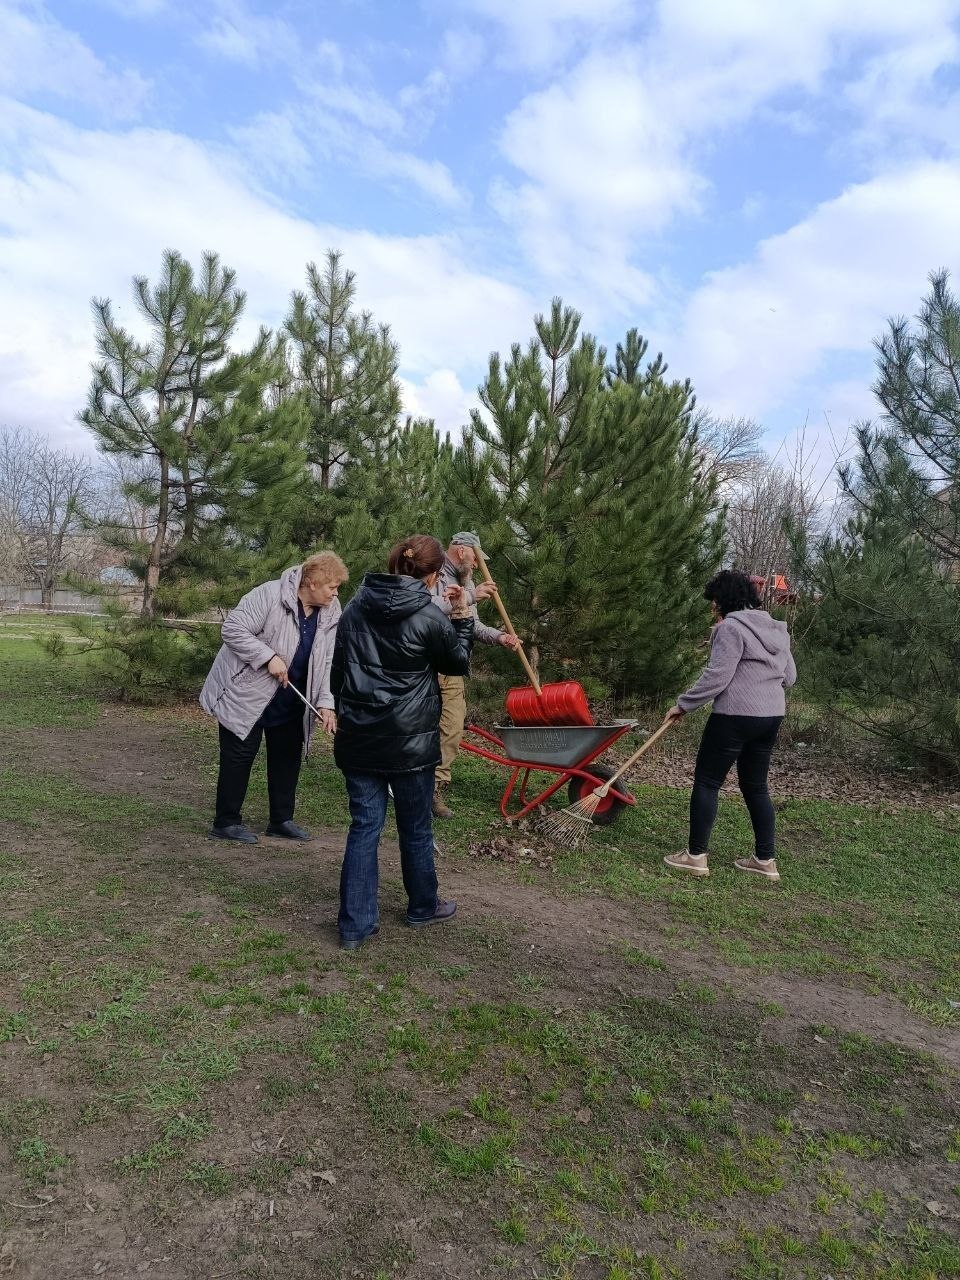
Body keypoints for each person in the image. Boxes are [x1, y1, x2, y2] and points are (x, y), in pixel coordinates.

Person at [331, 535, 474, 951]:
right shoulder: (429, 617)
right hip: (410, 742)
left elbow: (338, 673)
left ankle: (355, 926)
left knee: (364, 827)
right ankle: (423, 906)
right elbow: (457, 663)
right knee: (415, 827)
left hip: (360, 738)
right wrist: (462, 617)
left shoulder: (354, 609)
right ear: (433, 575)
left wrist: (343, 713)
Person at [200, 551, 349, 844]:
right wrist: (268, 657)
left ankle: (281, 820)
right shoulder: (268, 595)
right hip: (246, 693)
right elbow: (232, 629)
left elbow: (326, 658)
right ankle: (226, 822)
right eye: (332, 587)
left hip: (290, 697)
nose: (336, 593)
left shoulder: (331, 610)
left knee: (287, 757)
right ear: (311, 583)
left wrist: (325, 702)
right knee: (239, 757)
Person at [662, 569, 797, 882]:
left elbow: (717, 676)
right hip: (770, 717)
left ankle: (695, 856)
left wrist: (683, 704)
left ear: (725, 599)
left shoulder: (730, 629)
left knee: (708, 781)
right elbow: (790, 677)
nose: (713, 606)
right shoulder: (778, 629)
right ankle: (765, 861)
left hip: (734, 717)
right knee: (756, 786)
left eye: (714, 600)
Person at [429, 531, 520, 818]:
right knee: (417, 727)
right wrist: (469, 596)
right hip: (424, 664)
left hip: (451, 667)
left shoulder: (465, 579)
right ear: (462, 551)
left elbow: (473, 625)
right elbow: (425, 610)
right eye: (476, 558)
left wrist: (501, 637)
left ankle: (434, 789)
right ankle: (402, 780)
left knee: (452, 725)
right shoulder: (431, 570)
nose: (478, 565)